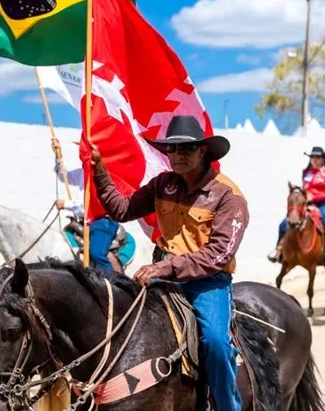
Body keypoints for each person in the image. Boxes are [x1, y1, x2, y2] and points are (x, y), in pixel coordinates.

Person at [89, 115, 246, 411]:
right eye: (172, 150)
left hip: (206, 283)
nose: (177, 156)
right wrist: (99, 170)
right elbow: (123, 210)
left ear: (203, 151)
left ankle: (228, 406)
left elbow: (219, 255)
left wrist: (163, 268)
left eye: (186, 149)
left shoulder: (228, 195)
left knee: (214, 342)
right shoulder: (163, 184)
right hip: (162, 277)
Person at [51, 137, 120, 273]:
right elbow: (65, 176)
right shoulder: (84, 171)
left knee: (96, 253)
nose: (82, 152)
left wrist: (66, 204)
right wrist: (58, 155)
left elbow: (93, 205)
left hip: (102, 221)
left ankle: (110, 284)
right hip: (85, 221)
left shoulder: (103, 173)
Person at [268, 146, 325, 271]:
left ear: (322, 159)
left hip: (321, 204)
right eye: (312, 157)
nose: (314, 159)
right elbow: (305, 187)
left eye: (317, 157)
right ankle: (279, 250)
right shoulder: (307, 172)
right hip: (306, 204)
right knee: (284, 224)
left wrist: (314, 196)